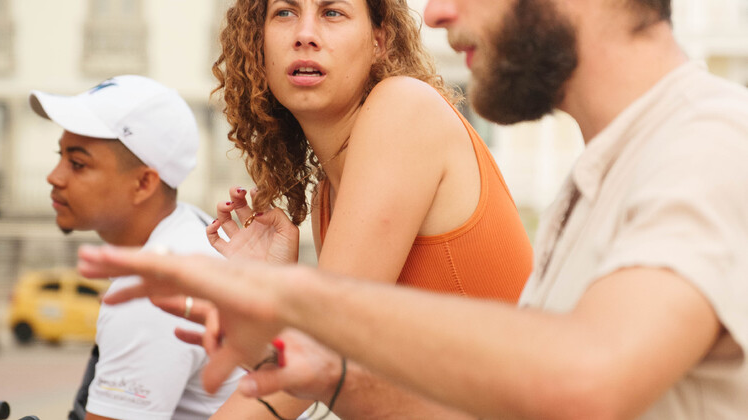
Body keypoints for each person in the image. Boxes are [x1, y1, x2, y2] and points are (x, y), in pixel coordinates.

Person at [78, 0, 748, 418]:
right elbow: (496, 405)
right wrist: (305, 347)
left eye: (333, 12)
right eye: (284, 13)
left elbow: (587, 383)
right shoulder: (598, 178)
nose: (434, 13)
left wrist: (296, 303)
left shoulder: (709, 138)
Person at [201, 0, 532, 416]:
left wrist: (291, 316)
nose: (305, 34)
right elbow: (342, 380)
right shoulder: (327, 197)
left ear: (380, 41)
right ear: (257, 44)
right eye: (285, 12)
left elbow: (322, 353)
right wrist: (275, 295)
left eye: (332, 13)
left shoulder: (404, 108)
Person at [30, 75, 247, 420]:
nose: (54, 176)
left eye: (77, 164)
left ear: (144, 182)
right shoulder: (191, 228)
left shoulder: (151, 293)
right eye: (60, 156)